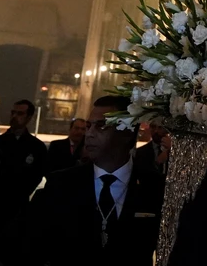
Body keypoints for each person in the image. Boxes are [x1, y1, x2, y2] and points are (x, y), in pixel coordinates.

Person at [9, 96, 161, 265]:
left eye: (101, 126)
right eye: (89, 126)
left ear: (127, 132)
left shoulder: (154, 186)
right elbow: (15, 244)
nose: (89, 134)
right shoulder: (61, 184)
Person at [0, 101, 47, 226]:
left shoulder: (37, 147)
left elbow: (38, 173)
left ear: (29, 117)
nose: (14, 116)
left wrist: (23, 191)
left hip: (19, 202)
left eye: (20, 113)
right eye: (13, 112)